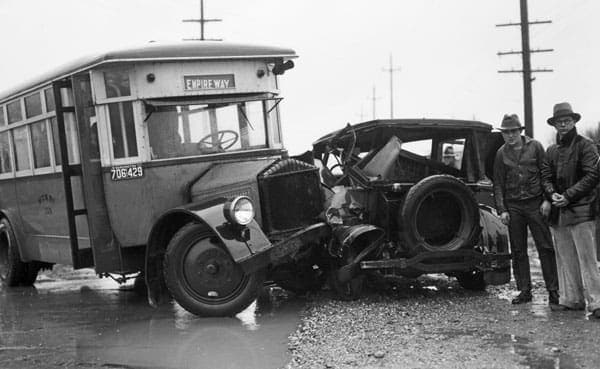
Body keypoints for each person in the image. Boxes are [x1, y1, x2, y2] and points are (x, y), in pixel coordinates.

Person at [541, 102, 600, 318]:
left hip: (582, 211)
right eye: (559, 122)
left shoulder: (586, 146)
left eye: (567, 120)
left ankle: (597, 302)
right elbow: (545, 176)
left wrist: (568, 196)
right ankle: (572, 299)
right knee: (565, 258)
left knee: (587, 259)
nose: (563, 124)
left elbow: (593, 176)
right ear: (554, 125)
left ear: (574, 121)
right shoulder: (551, 151)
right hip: (560, 213)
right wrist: (552, 194)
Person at [493, 114, 559, 305]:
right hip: (514, 207)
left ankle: (554, 291)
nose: (510, 136)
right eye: (506, 132)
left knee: (545, 247)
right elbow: (498, 183)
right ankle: (524, 290)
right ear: (503, 134)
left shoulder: (536, 147)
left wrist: (547, 199)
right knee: (519, 250)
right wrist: (502, 209)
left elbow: (546, 174)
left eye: (513, 131)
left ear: (520, 131)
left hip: (535, 204)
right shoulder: (500, 154)